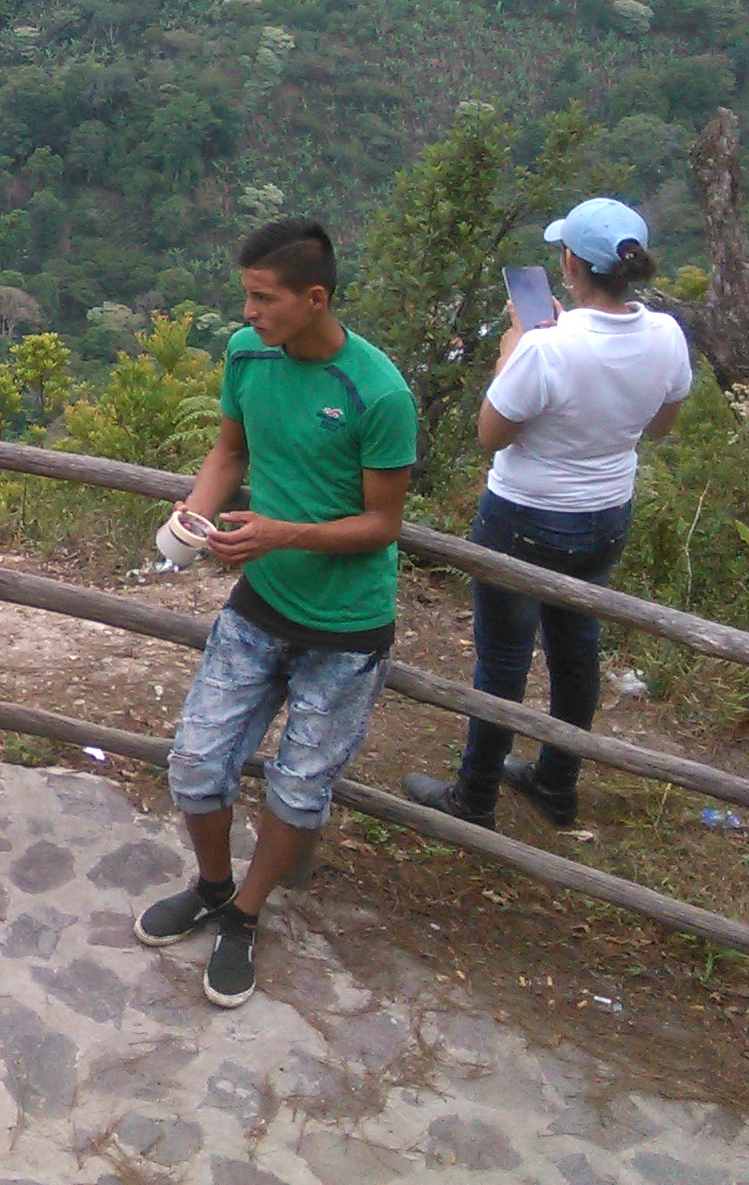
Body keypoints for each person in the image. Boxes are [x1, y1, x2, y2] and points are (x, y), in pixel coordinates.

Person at [136, 218, 417, 1008]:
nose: (249, 312)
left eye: (264, 298)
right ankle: (213, 886)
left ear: (314, 298)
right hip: (259, 607)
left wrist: (281, 534)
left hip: (346, 630)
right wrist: (195, 514)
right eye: (247, 296)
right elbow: (230, 451)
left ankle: (247, 916)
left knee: (299, 789)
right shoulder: (246, 354)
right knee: (196, 764)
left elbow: (383, 524)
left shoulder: (379, 392)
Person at [405, 198, 691, 830]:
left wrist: (515, 346)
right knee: (575, 645)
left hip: (525, 517)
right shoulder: (667, 335)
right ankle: (557, 783)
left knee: (504, 659)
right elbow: (660, 425)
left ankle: (474, 796)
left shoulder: (545, 347)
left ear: (570, 264)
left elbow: (492, 434)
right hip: (606, 514)